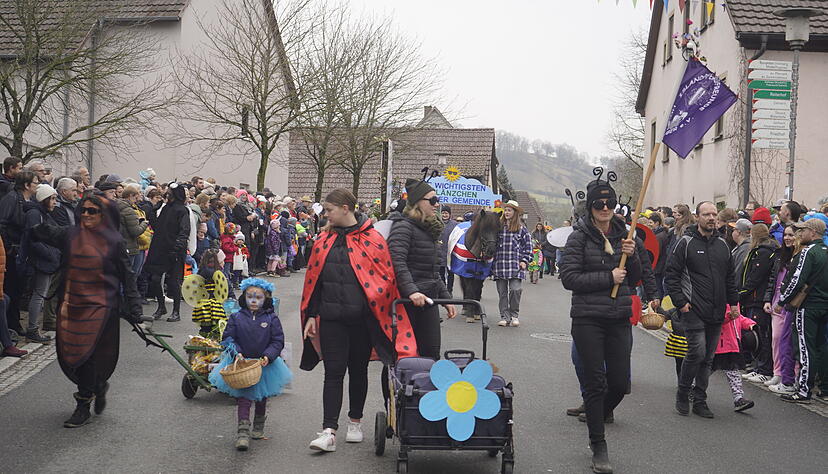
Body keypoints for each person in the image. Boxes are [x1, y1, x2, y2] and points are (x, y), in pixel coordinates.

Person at [300, 188, 417, 453]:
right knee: (333, 372)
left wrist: (379, 309)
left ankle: (355, 422)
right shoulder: (323, 240)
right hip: (331, 319)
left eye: (329, 210)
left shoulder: (373, 239)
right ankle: (329, 430)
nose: (325, 215)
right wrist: (310, 315)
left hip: (363, 320)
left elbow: (386, 279)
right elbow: (314, 281)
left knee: (358, 371)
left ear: (345, 208)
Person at [31, 192, 144, 427]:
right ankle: (98, 385)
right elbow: (43, 231)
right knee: (74, 355)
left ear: (103, 215)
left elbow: (128, 276)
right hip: (72, 307)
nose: (85, 214)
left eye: (92, 211)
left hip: (101, 307)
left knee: (89, 354)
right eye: (83, 209)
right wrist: (30, 214)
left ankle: (83, 405)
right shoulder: (70, 235)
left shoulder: (113, 241)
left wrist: (135, 308)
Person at [560, 173, 642, 474]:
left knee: (619, 383)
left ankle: (600, 412)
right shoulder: (578, 237)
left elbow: (635, 278)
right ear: (590, 207)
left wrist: (631, 258)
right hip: (587, 319)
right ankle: (599, 444)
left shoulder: (627, 235)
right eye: (599, 204)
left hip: (618, 318)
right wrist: (608, 277)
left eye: (609, 203)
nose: (605, 208)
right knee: (594, 383)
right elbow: (569, 279)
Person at [665, 201, 739, 419]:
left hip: (716, 310)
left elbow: (730, 277)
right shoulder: (685, 243)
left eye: (714, 214)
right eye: (706, 214)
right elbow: (671, 275)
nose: (711, 218)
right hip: (693, 308)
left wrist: (733, 303)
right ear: (697, 217)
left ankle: (700, 400)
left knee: (707, 358)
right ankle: (683, 392)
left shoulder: (723, 245)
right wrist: (680, 302)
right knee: (696, 352)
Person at [209, 277, 291, 451]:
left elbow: (277, 341)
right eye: (250, 296)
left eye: (258, 297)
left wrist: (269, 356)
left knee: (261, 396)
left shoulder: (271, 318)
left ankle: (258, 427)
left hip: (264, 364)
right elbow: (228, 338)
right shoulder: (236, 317)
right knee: (244, 397)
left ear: (266, 299)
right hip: (243, 363)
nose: (253, 300)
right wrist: (236, 352)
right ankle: (243, 432)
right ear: (244, 297)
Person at [388, 179, 456, 359]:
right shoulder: (403, 227)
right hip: (406, 302)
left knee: (431, 354)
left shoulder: (428, 230)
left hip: (428, 301)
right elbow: (396, 262)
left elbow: (432, 273)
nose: (437, 204)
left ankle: (424, 388)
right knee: (402, 356)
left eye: (437, 199)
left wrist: (446, 299)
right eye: (432, 200)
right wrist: (412, 291)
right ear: (418, 202)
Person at [776, 218, 828, 403]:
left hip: (808, 306)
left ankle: (804, 390)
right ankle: (824, 388)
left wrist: (783, 300)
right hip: (824, 306)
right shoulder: (825, 251)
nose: (800, 234)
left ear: (812, 232)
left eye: (803, 230)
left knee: (806, 348)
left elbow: (797, 280)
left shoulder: (809, 252)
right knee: (823, 347)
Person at [144, 182, 191, 322]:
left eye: (170, 191)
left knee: (173, 282)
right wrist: (154, 210)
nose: (167, 193)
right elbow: (157, 226)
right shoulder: (165, 209)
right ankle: (161, 306)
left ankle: (176, 311)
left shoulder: (182, 210)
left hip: (174, 250)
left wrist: (178, 247)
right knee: (155, 279)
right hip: (160, 248)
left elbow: (184, 230)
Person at [739, 224, 778, 384]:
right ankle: (758, 367)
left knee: (762, 336)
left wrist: (741, 293)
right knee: (756, 335)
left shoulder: (763, 253)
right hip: (754, 299)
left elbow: (755, 277)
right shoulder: (763, 251)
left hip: (757, 300)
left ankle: (764, 369)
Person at [0, 171, 38, 335]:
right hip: (13, 251)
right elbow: (2, 223)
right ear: (27, 185)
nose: (37, 185)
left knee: (19, 289)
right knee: (12, 288)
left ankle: (14, 324)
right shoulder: (12, 199)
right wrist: (9, 247)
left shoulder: (30, 201)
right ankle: (11, 325)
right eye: (35, 182)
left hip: (22, 250)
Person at [22, 184, 61, 343]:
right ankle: (32, 329)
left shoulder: (43, 214)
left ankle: (33, 328)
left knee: (40, 295)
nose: (54, 202)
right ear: (43, 199)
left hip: (46, 259)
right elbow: (34, 239)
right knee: (38, 295)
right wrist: (52, 255)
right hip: (41, 261)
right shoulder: (35, 214)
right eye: (51, 199)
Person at [762, 225, 798, 394]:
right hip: (776, 302)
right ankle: (778, 372)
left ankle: (791, 374)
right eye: (785, 235)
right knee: (776, 338)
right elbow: (772, 279)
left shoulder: (800, 257)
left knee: (790, 341)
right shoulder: (779, 256)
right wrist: (767, 299)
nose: (787, 238)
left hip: (790, 304)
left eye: (791, 235)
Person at [492, 201, 531, 327]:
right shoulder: (498, 227)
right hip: (500, 264)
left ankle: (514, 315)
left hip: (516, 266)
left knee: (515, 290)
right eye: (506, 210)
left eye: (509, 210)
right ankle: (504, 317)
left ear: (515, 213)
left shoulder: (521, 229)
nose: (507, 212)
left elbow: (528, 247)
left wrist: (524, 261)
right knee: (502, 293)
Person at [711, 304, 757, 412]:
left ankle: (738, 398)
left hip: (732, 345)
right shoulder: (721, 298)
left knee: (733, 371)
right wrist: (729, 316)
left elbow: (739, 318)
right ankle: (692, 386)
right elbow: (715, 318)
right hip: (720, 344)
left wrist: (750, 324)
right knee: (708, 369)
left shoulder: (734, 302)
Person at [117, 187, 149, 277]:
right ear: (130, 196)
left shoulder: (117, 206)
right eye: (135, 198)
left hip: (123, 245)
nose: (135, 201)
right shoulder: (129, 210)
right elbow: (135, 231)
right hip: (130, 247)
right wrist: (144, 224)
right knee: (130, 277)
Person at [438, 205, 458, 294]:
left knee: (450, 273)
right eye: (443, 213)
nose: (444, 215)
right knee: (440, 273)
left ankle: (449, 290)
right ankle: (442, 291)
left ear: (449, 214)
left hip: (450, 252)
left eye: (446, 213)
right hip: (440, 252)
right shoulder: (437, 223)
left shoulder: (455, 225)